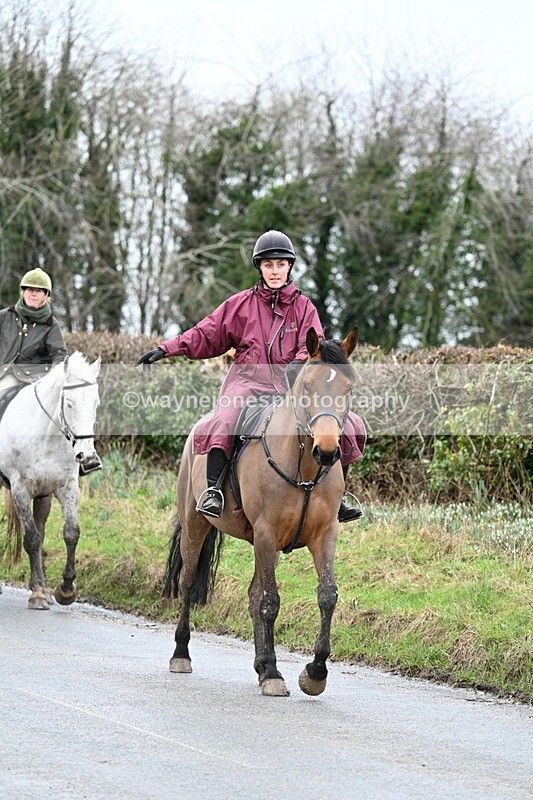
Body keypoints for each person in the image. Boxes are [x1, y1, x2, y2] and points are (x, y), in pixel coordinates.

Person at [136, 230, 365, 520]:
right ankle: (213, 491)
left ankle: (338, 496)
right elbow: (206, 333)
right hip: (247, 383)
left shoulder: (304, 307)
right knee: (224, 418)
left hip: (290, 388)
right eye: (268, 265)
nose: (274, 271)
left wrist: (295, 367)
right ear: (260, 267)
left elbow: (313, 345)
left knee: (352, 424)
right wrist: (165, 349)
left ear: (289, 267)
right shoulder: (240, 304)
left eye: (280, 264)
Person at [0, 267, 101, 474]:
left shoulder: (51, 325)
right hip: (7, 375)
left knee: (65, 411)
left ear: (46, 296)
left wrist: (56, 375)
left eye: (39, 291)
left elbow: (60, 355)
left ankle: (83, 459)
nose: (33, 294)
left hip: (37, 380)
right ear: (22, 292)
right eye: (29, 289)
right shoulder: (4, 317)